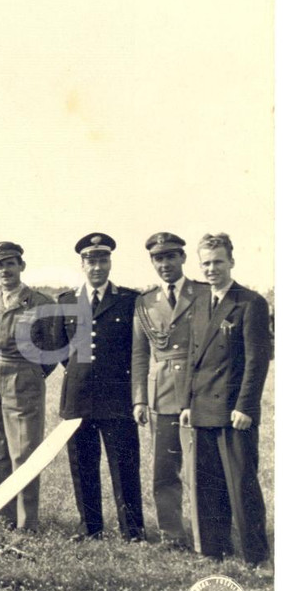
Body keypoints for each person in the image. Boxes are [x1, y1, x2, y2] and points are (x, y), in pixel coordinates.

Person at [180, 233, 271, 566]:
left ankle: (256, 557)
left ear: (231, 261)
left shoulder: (250, 302)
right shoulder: (200, 303)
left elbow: (257, 361)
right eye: (205, 263)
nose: (211, 269)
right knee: (208, 486)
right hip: (203, 407)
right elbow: (193, 357)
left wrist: (246, 407)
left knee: (242, 486)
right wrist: (187, 403)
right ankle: (213, 551)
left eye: (218, 262)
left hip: (234, 411)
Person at [55, 233, 144, 542]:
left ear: (110, 263)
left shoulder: (129, 300)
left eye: (102, 260)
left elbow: (135, 348)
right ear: (82, 264)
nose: (97, 267)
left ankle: (132, 530)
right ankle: (90, 527)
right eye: (91, 261)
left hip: (117, 396)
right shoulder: (66, 302)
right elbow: (62, 350)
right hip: (78, 397)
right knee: (83, 464)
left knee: (125, 464)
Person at [130, 232, 204, 549]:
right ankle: (172, 534)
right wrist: (139, 399)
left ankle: (206, 536)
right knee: (164, 471)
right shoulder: (145, 302)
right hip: (160, 396)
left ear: (183, 258)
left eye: (171, 256)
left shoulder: (202, 293)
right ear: (152, 262)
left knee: (200, 469)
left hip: (198, 391)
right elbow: (139, 354)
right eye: (158, 258)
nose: (165, 264)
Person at [0, 242, 57, 532]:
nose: (5, 270)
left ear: (21, 266)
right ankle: (5, 517)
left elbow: (52, 349)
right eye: (0, 265)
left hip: (24, 376)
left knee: (24, 451)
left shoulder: (40, 303)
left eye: (10, 263)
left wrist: (32, 374)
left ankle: (27, 522)